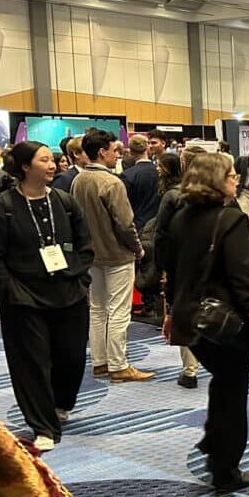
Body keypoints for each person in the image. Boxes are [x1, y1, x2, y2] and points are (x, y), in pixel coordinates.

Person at [160, 152, 249, 491]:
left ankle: (215, 449)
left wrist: (170, 312)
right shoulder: (231, 220)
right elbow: (243, 277)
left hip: (191, 319)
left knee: (222, 384)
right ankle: (225, 468)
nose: (236, 179)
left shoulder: (179, 217)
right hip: (224, 321)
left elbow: (174, 272)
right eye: (230, 175)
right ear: (216, 180)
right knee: (232, 392)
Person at [0, 142, 94, 452]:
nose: (52, 164)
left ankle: (60, 403)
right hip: (24, 299)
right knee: (32, 362)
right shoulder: (0, 208)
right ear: (25, 167)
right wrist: (11, 290)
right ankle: (43, 425)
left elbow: (85, 246)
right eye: (43, 160)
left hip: (68, 294)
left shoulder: (65, 201)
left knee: (71, 356)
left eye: (52, 159)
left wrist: (80, 278)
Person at [71, 129, 154, 383]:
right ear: (102, 152)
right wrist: (138, 249)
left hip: (91, 255)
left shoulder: (79, 180)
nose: (117, 154)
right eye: (114, 149)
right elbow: (125, 223)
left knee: (97, 309)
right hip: (117, 254)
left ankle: (100, 362)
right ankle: (118, 365)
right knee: (118, 311)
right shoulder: (111, 182)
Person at [152, 150, 202, 389]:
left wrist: (164, 267)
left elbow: (161, 235)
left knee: (186, 313)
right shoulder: (224, 195)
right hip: (216, 265)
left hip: (184, 265)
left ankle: (190, 370)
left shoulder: (173, 196)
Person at [121, 135, 159, 232]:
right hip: (159, 224)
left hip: (138, 226)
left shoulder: (127, 175)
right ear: (147, 148)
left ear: (131, 151)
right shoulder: (161, 172)